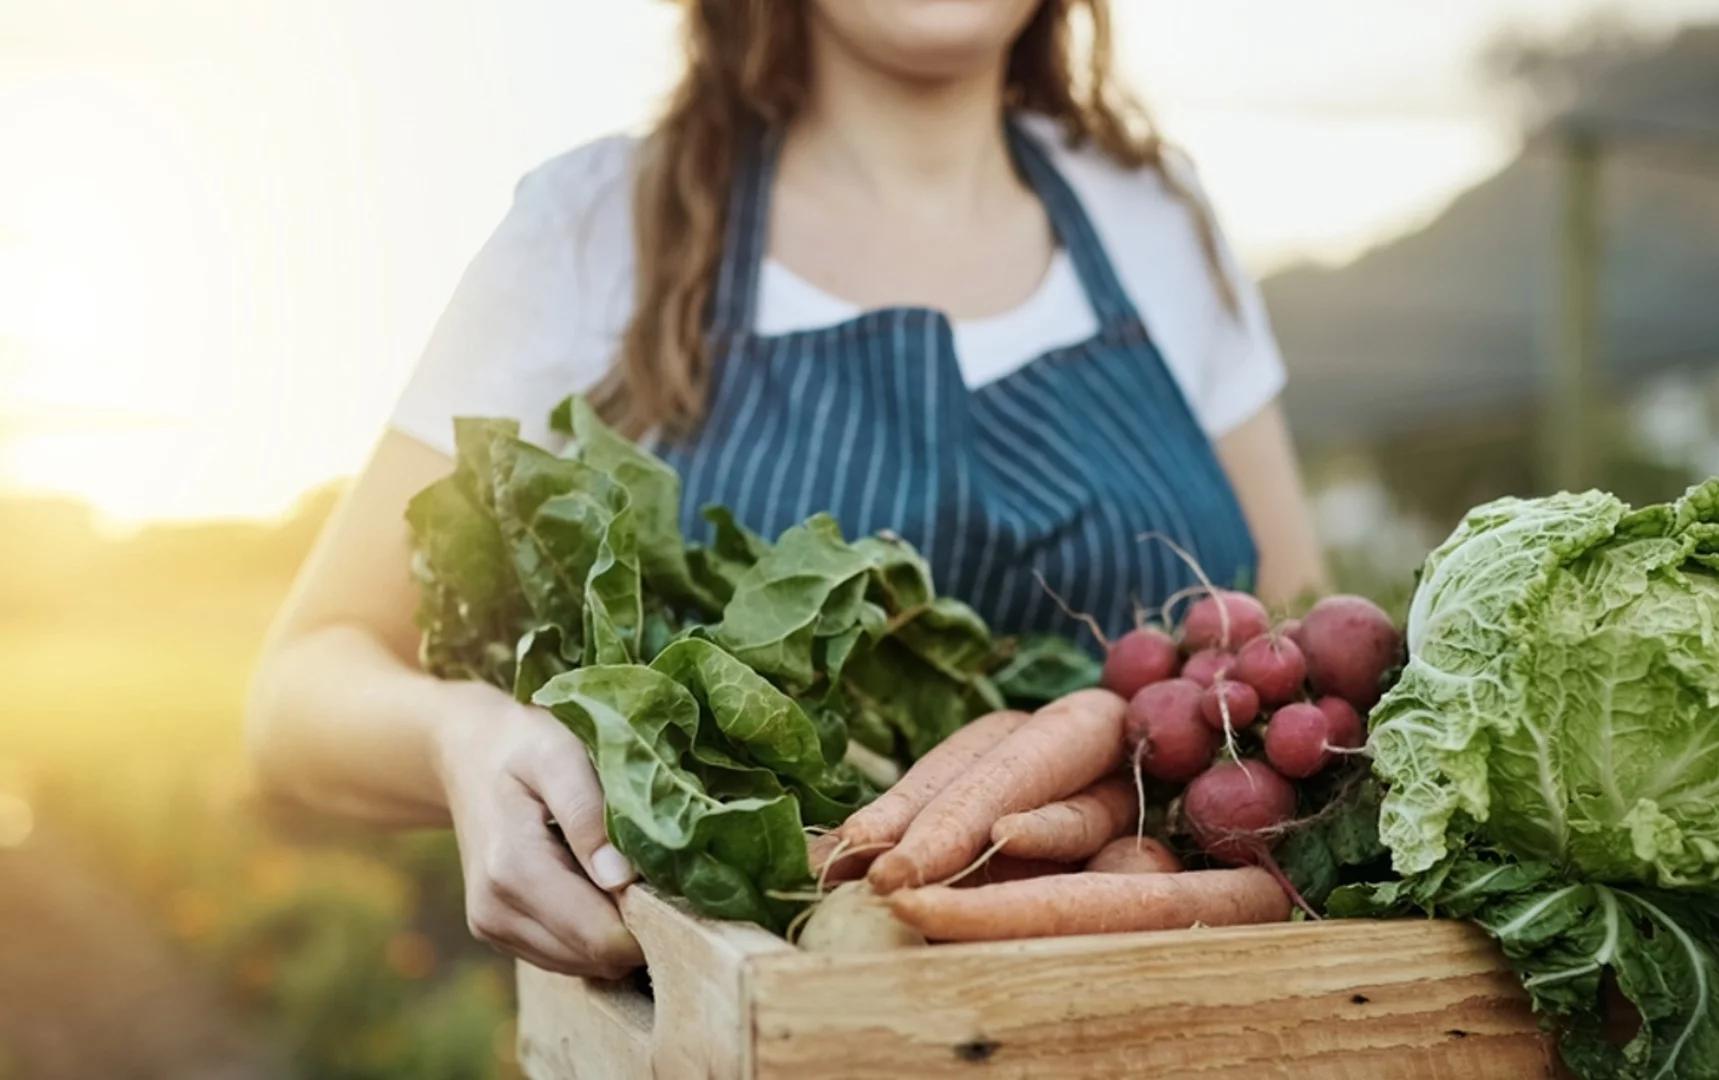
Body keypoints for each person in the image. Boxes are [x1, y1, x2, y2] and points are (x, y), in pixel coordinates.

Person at [245, 0, 1326, 982]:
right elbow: (296, 692)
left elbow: (1299, 656)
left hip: (1186, 1019)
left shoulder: (1156, 216)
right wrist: (463, 742)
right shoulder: (594, 228)